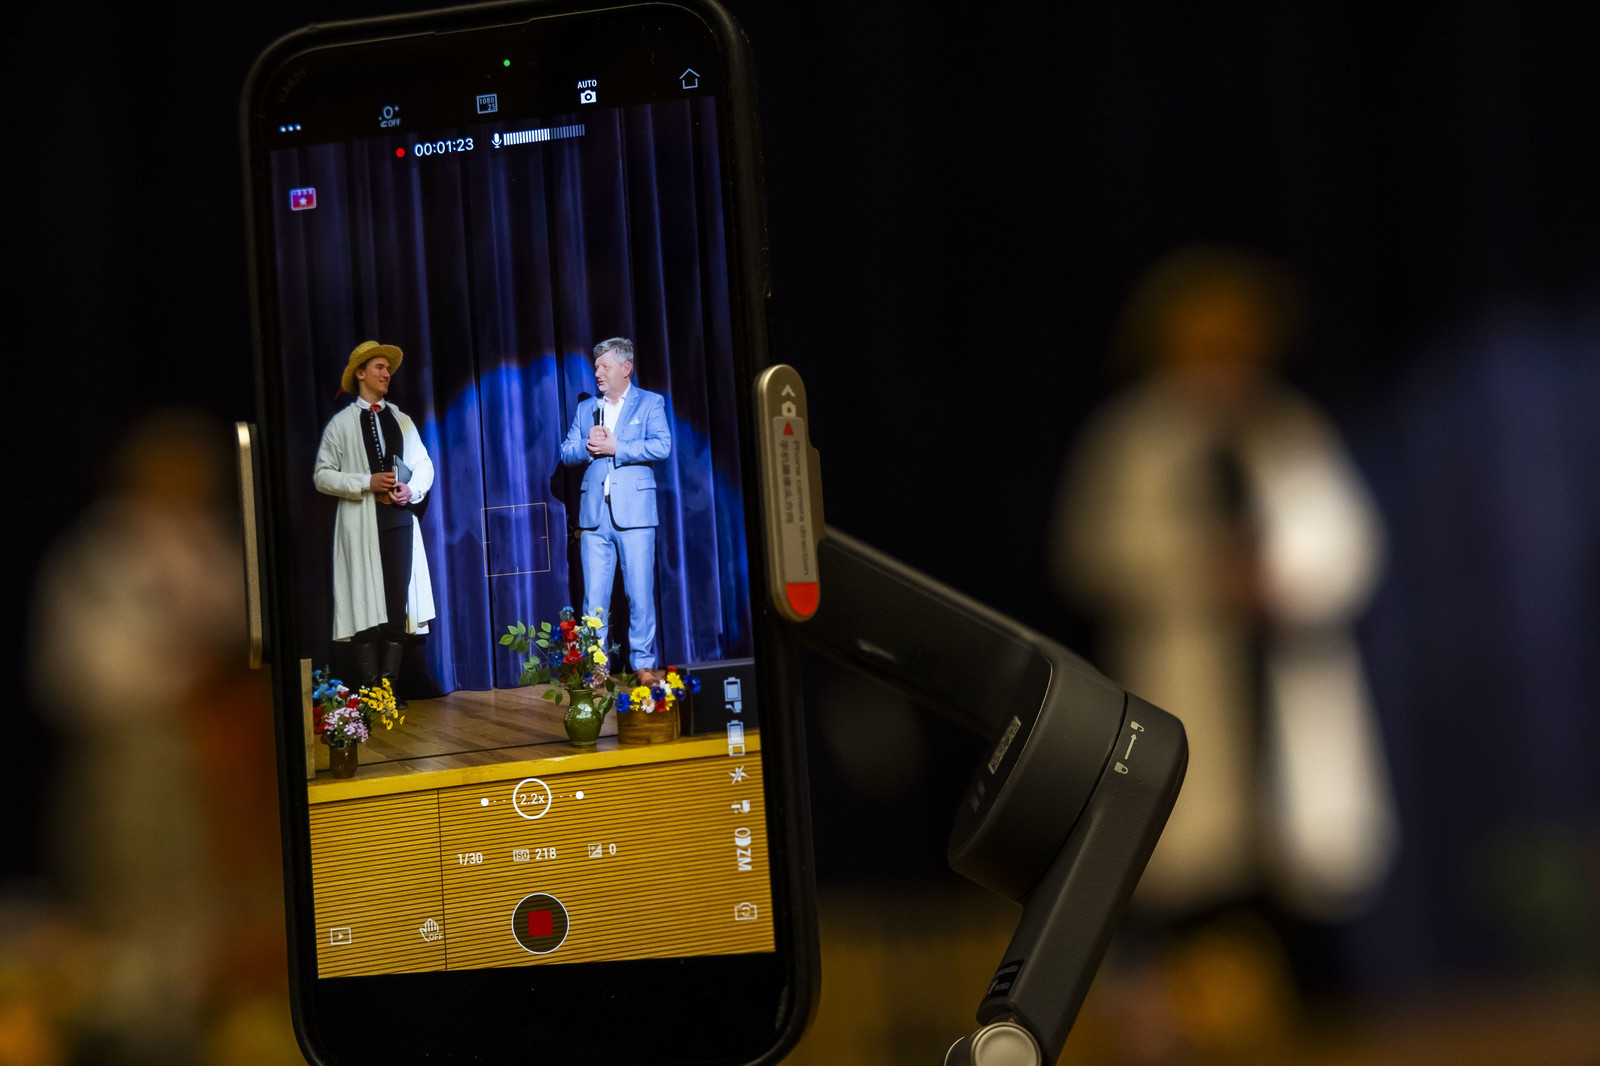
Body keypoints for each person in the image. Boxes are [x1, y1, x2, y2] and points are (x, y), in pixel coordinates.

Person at [313, 340, 436, 704]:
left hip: (397, 521)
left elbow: (424, 464)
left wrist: (411, 489)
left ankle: (388, 688)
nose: (386, 374)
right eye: (379, 368)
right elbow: (323, 475)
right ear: (360, 373)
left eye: (388, 369)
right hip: (360, 523)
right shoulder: (342, 424)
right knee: (363, 603)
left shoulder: (401, 420)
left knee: (397, 605)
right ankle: (369, 689)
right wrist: (366, 482)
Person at [560, 337, 672, 677]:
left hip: (635, 515)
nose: (597, 372)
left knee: (639, 594)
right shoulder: (586, 409)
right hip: (594, 517)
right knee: (593, 599)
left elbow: (662, 445)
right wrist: (587, 447)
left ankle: (643, 664)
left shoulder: (649, 403)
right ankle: (596, 667)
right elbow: (566, 452)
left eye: (604, 366)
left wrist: (616, 447)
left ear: (626, 368)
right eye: (596, 366)